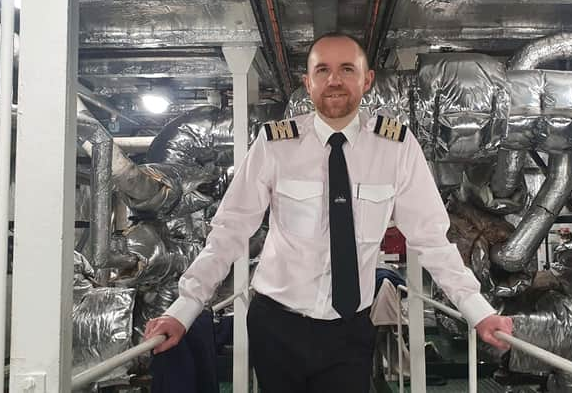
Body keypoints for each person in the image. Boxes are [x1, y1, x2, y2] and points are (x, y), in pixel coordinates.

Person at [145, 32, 513, 392]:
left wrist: (478, 310)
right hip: (277, 325)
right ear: (308, 82)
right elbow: (230, 231)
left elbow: (431, 239)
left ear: (367, 80)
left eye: (347, 69)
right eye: (322, 70)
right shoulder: (276, 145)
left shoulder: (396, 147)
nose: (334, 80)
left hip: (349, 329)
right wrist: (184, 309)